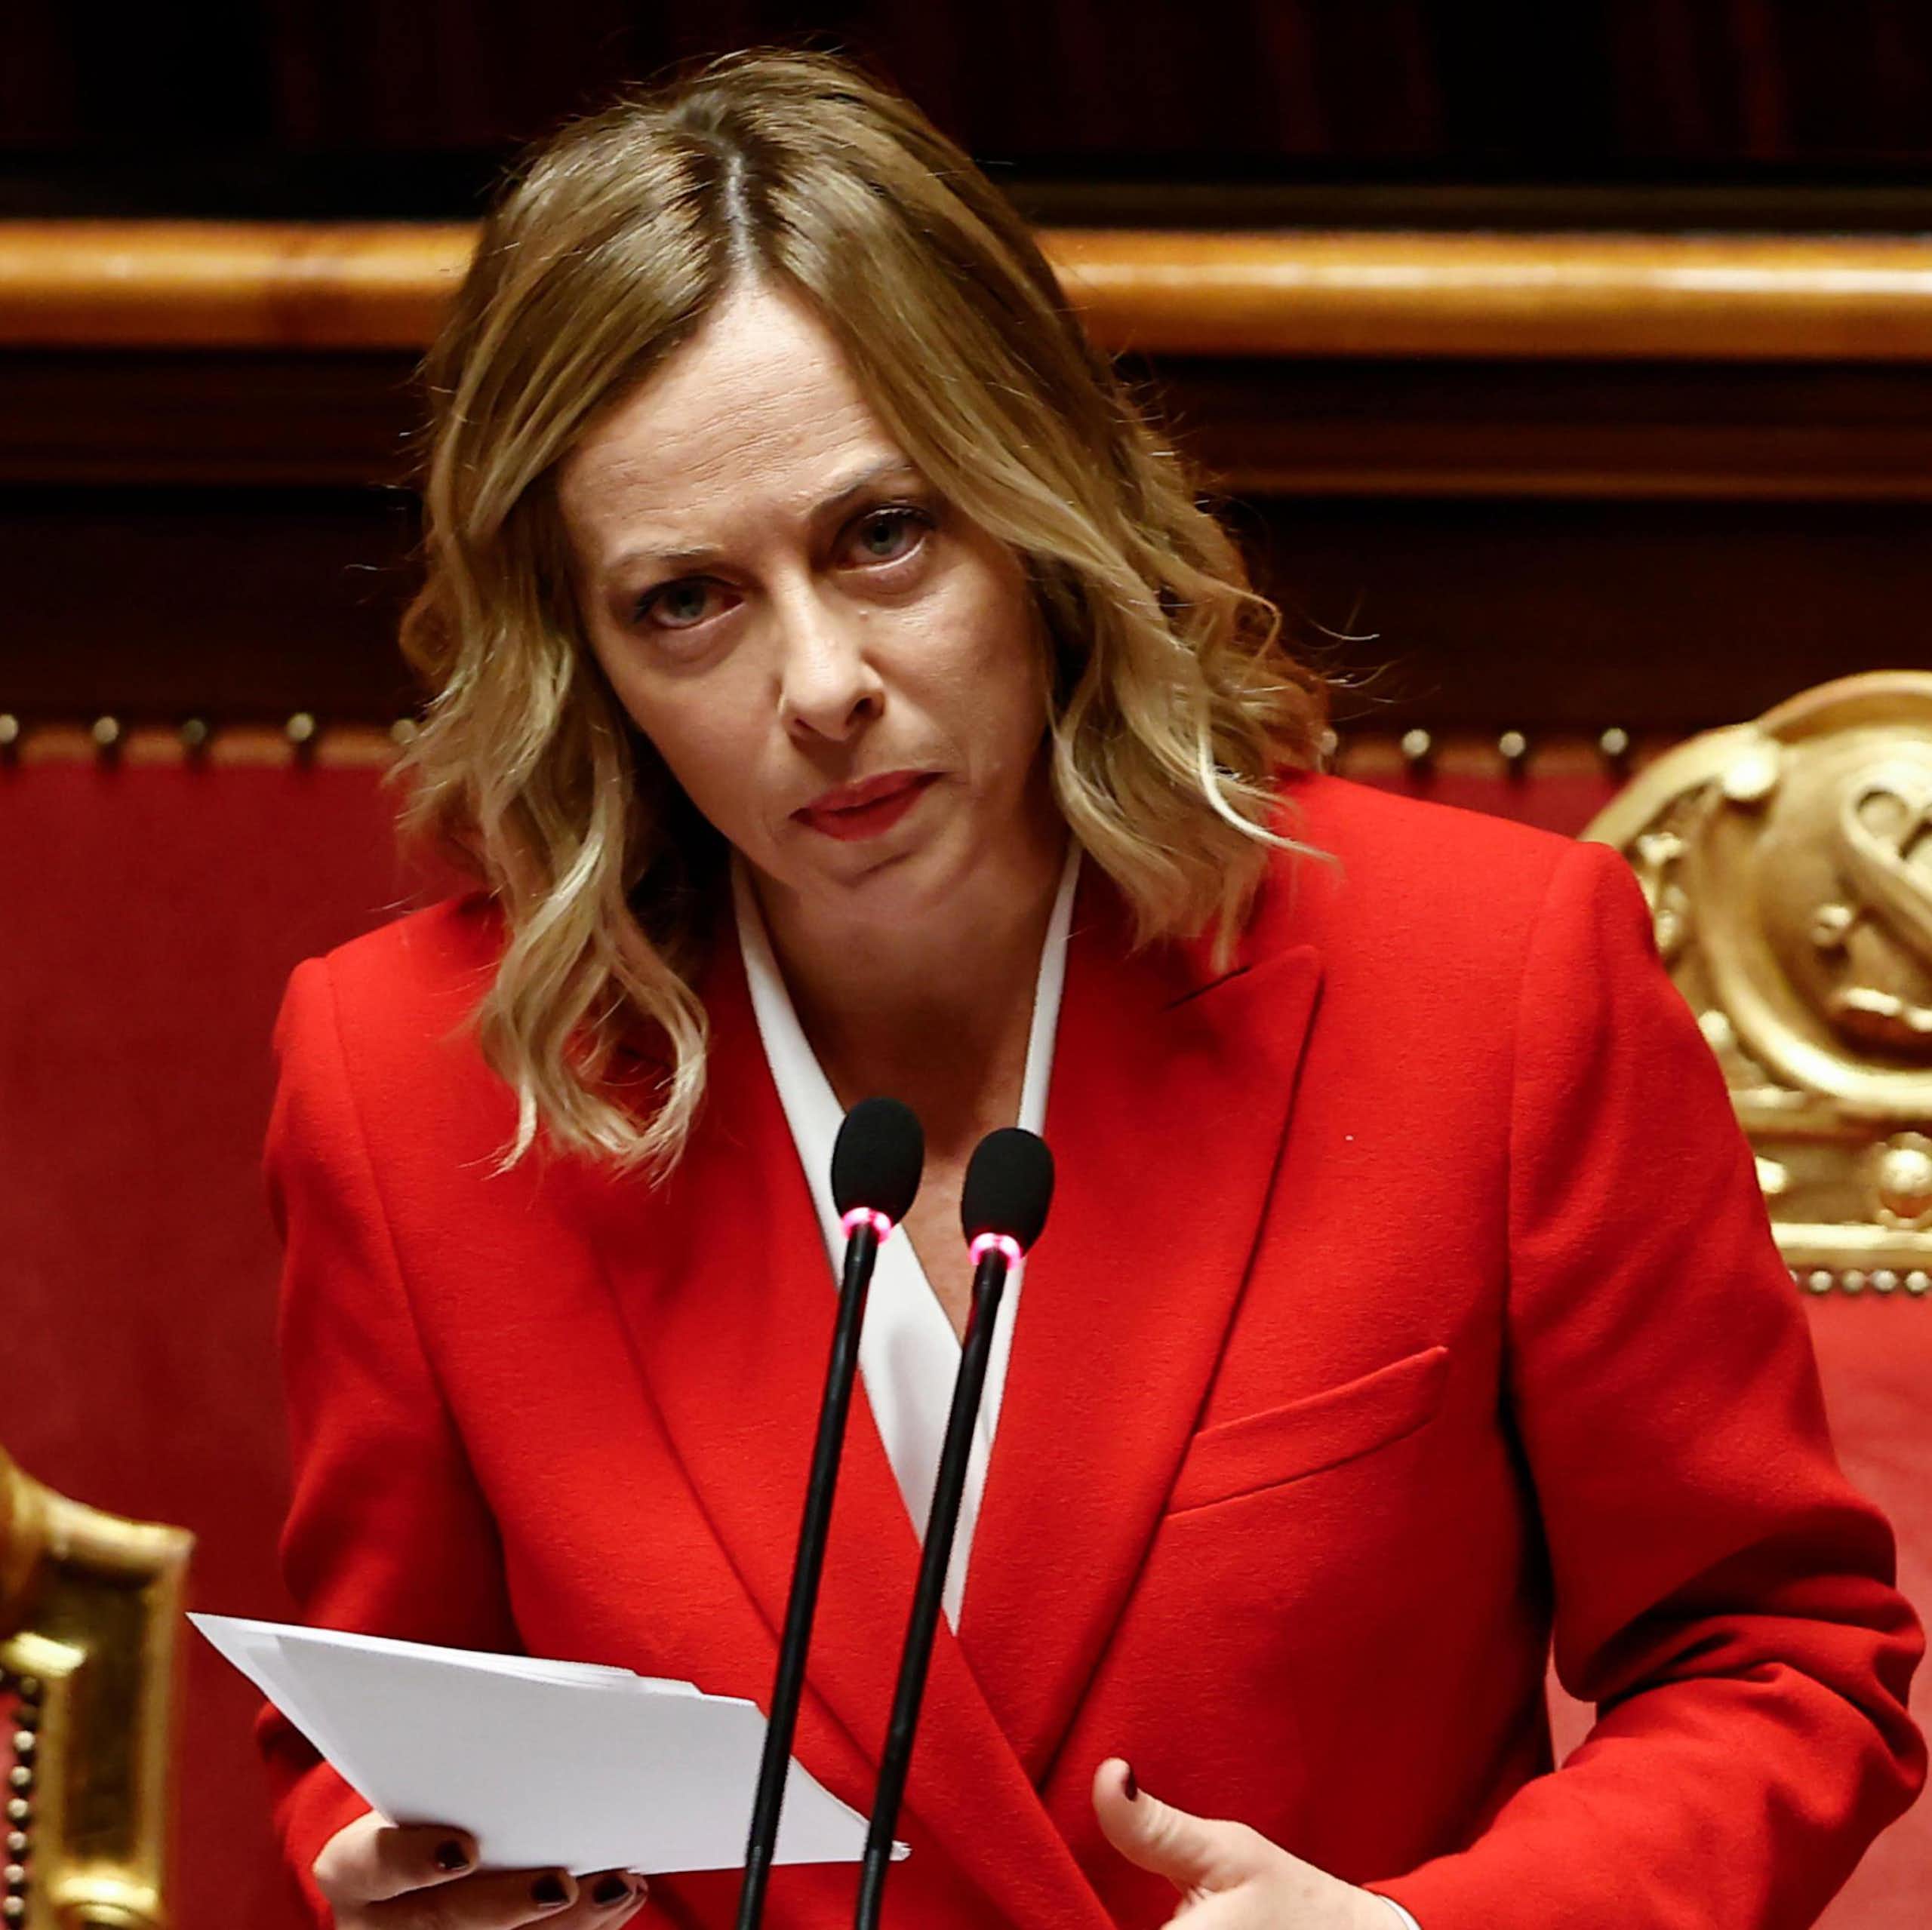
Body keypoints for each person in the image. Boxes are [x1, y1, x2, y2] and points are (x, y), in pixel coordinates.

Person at [256, 45, 1924, 1930]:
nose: (818, 685)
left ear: (1035, 512)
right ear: (582, 655)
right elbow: (376, 1720)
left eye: (883, 538)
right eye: (685, 600)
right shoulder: (406, 1078)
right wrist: (387, 1863)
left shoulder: (1490, 978)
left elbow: (1778, 1660)